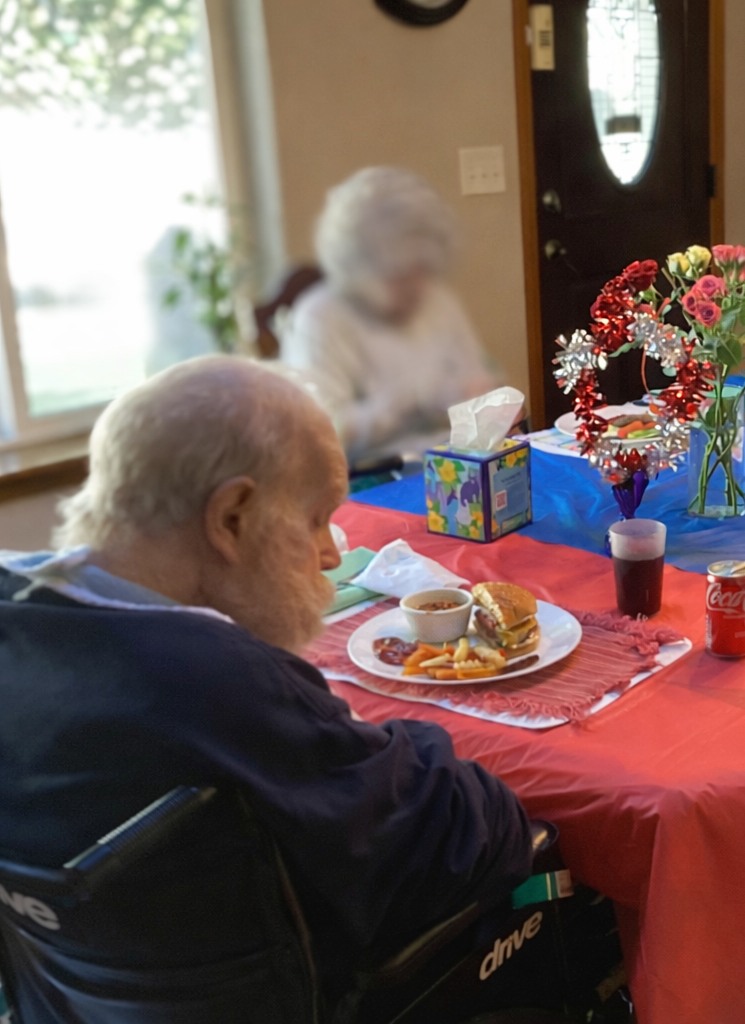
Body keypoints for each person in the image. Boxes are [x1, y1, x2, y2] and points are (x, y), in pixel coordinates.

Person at [0, 357, 532, 1018]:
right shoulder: (216, 685)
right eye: (315, 519)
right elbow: (471, 840)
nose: (333, 554)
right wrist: (406, 743)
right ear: (230, 519)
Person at [282, 166, 500, 465]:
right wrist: (405, 402)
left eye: (423, 270)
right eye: (401, 277)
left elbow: (481, 384)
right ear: (358, 269)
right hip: (368, 479)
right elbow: (320, 435)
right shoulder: (320, 318)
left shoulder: (436, 301)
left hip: (448, 464)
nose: (419, 288)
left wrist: (475, 397)